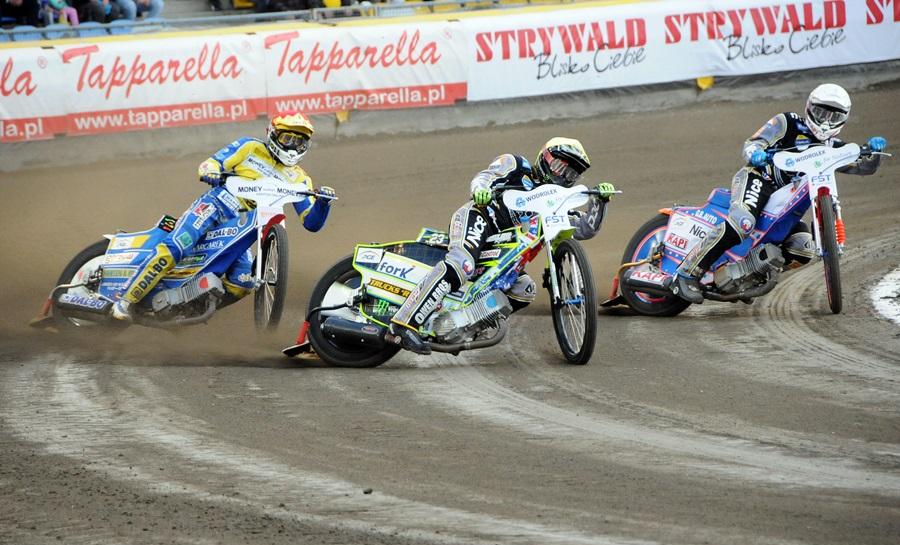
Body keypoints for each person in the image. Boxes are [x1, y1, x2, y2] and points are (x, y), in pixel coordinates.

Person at [389, 137, 617, 354]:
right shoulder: (517, 165)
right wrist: (480, 190)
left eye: (571, 173)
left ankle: (460, 326)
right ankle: (404, 323)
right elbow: (484, 177)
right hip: (479, 218)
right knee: (462, 265)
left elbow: (585, 229)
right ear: (545, 158)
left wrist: (600, 202)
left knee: (524, 289)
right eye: (560, 166)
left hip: (502, 250)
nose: (563, 176)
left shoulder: (556, 204)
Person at [671, 83, 887, 303]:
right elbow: (752, 143)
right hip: (759, 179)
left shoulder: (833, 149)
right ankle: (687, 273)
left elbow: (863, 168)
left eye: (834, 116)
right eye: (821, 113)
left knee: (803, 248)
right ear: (810, 108)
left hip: (784, 204)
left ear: (844, 118)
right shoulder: (788, 122)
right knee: (743, 223)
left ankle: (745, 277)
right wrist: (756, 154)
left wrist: (874, 153)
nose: (825, 121)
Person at [111, 113, 336, 322]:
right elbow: (212, 163)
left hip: (243, 226)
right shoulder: (250, 147)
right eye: (288, 138)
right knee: (176, 246)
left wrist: (323, 203)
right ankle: (125, 299)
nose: (293, 146)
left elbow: (311, 223)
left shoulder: (300, 179)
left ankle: (189, 309)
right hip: (216, 206)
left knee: (242, 283)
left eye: (299, 141)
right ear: (273, 134)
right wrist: (210, 171)